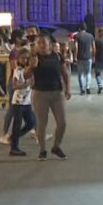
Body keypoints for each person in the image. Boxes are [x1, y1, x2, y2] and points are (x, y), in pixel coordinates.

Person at [27, 33, 71, 161]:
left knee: (62, 123)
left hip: (57, 93)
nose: (41, 45)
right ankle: (42, 150)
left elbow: (65, 73)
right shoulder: (34, 57)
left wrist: (68, 89)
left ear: (50, 44)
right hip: (40, 93)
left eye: (43, 43)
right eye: (38, 43)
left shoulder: (57, 56)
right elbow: (25, 75)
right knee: (42, 124)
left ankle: (56, 146)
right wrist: (31, 66)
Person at [8, 49, 37, 156]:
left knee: (31, 123)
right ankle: (14, 147)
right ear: (18, 59)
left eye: (26, 58)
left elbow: (33, 83)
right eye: (22, 58)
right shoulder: (18, 70)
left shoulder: (28, 70)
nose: (25, 60)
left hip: (27, 101)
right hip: (18, 102)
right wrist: (25, 84)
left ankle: (14, 137)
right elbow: (14, 86)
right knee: (17, 123)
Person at [73, 23, 95, 95]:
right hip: (88, 57)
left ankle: (82, 89)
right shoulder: (90, 36)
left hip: (80, 57)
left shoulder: (77, 36)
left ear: (79, 28)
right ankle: (88, 87)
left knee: (81, 74)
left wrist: (75, 57)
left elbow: (76, 47)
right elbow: (94, 47)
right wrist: (93, 56)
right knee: (88, 73)